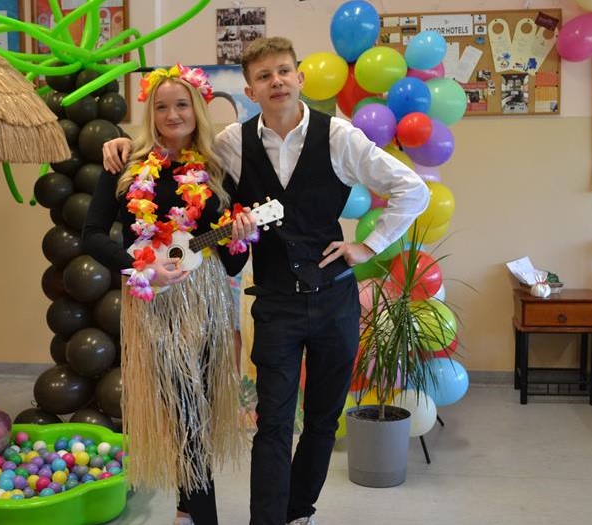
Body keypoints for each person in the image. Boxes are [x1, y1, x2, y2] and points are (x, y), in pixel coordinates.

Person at [102, 37, 429, 525]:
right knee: (273, 423)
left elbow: (412, 189)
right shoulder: (231, 143)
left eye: (283, 71)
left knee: (321, 421)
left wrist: (369, 246)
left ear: (299, 78)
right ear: (251, 90)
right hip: (275, 304)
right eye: (263, 76)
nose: (276, 81)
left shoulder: (340, 137)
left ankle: (299, 512)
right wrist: (124, 144)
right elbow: (176, 141)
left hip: (335, 300)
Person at [82, 64, 255, 525]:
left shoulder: (218, 169)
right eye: (161, 106)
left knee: (197, 406)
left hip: (206, 299)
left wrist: (240, 235)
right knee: (183, 407)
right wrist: (139, 266)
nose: (172, 114)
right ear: (150, 113)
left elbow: (233, 262)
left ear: (197, 110)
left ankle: (186, 508)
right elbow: (91, 234)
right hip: (152, 298)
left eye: (181, 105)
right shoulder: (126, 164)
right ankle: (202, 514)